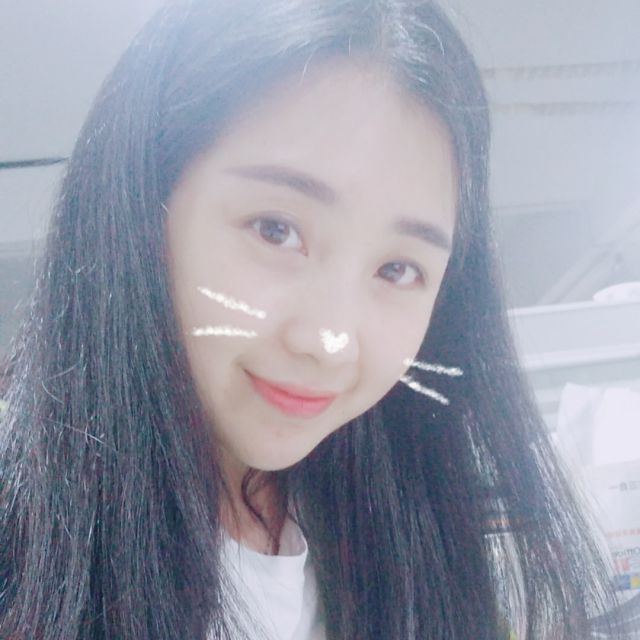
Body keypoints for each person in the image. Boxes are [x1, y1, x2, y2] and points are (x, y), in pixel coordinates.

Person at [0, 1, 622, 638]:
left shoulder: (405, 522)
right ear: (138, 205)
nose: (331, 343)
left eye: (398, 269)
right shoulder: (25, 553)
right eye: (276, 229)